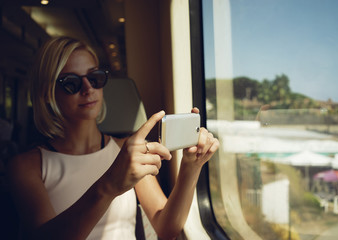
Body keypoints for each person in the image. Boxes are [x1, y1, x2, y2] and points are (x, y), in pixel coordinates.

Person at [8, 36, 219, 240]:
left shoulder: (128, 150)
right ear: (47, 93)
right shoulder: (26, 166)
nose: (88, 88)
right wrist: (109, 186)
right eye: (71, 82)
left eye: (95, 78)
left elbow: (166, 228)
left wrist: (191, 168)